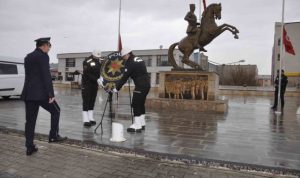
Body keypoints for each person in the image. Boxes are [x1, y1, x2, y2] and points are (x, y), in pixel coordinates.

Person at [21, 37, 67, 156]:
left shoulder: (28, 57)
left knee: (30, 121)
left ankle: (29, 147)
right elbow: (46, 75)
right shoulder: (43, 56)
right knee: (56, 111)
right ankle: (53, 136)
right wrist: (51, 94)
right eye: (49, 46)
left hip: (28, 94)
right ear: (44, 46)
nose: (50, 48)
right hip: (41, 94)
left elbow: (30, 75)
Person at [112, 48, 150, 132]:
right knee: (140, 104)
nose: (123, 58)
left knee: (135, 104)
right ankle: (142, 123)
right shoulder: (138, 58)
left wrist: (116, 88)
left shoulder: (130, 62)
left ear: (127, 54)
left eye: (124, 56)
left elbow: (124, 77)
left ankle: (137, 125)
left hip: (140, 85)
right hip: (147, 84)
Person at [81, 50, 103, 127]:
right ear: (93, 55)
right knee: (86, 100)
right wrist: (96, 79)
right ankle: (85, 119)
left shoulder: (99, 61)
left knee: (92, 100)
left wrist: (101, 78)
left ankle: (90, 117)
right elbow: (87, 73)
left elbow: (101, 71)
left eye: (99, 57)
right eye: (97, 56)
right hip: (87, 84)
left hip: (94, 84)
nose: (98, 58)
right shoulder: (87, 61)